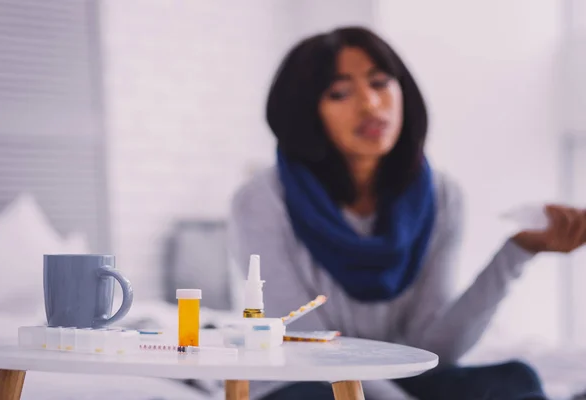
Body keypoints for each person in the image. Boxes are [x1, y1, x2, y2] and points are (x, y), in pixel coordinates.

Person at [227, 26, 586, 400]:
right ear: (306, 112)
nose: (370, 104)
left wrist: (517, 252)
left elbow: (434, 351)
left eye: (380, 83)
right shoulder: (261, 200)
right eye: (339, 93)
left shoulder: (441, 195)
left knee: (514, 380)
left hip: (401, 383)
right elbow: (306, 348)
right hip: (303, 382)